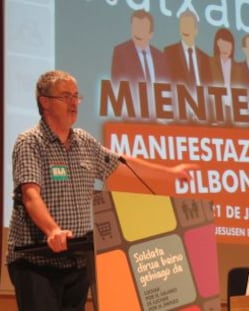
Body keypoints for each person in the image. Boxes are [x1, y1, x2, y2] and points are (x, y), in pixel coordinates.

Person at [6, 70, 198, 311]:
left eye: (76, 96)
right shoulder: (30, 142)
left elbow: (122, 163)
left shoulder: (84, 142)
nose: (74, 103)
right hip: (36, 264)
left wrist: (169, 173)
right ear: (44, 101)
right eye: (65, 96)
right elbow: (30, 195)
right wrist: (52, 230)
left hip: (77, 262)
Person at [111, 9, 169, 84]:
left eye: (142, 28)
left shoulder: (161, 57)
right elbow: (116, 84)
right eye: (135, 27)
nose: (138, 32)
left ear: (151, 34)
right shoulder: (121, 52)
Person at [164, 9, 211, 89]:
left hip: (201, 100)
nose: (185, 30)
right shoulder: (170, 52)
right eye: (183, 26)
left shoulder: (205, 58)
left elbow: (209, 86)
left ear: (196, 31)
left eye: (188, 26)